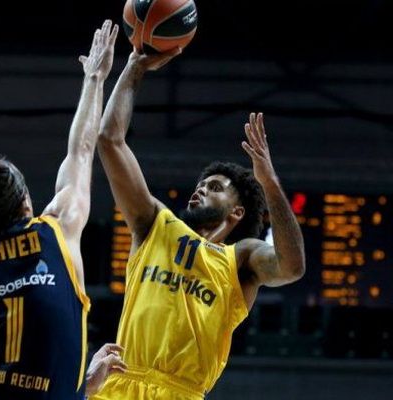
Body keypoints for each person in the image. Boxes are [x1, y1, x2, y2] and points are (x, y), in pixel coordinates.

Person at [90, 49, 306, 400]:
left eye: (215, 187)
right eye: (201, 185)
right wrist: (135, 66)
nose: (201, 189)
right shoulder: (156, 225)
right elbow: (109, 140)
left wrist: (269, 183)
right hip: (121, 383)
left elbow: (292, 266)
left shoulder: (239, 259)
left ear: (237, 213)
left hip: (181, 392)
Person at [0, 20, 127, 400]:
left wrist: (80, 387)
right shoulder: (57, 234)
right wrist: (95, 78)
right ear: (26, 202)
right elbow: (81, 150)